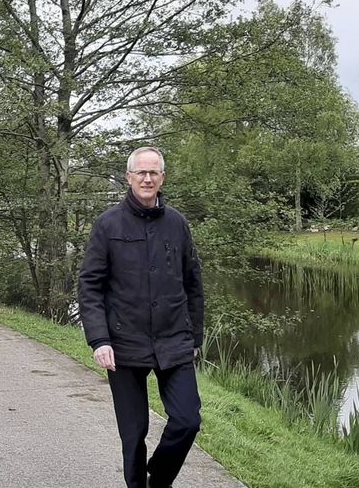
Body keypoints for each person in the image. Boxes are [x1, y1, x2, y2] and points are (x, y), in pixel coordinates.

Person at [78, 146, 204, 488]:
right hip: (124, 343)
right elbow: (90, 285)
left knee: (187, 420)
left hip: (173, 339)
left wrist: (194, 339)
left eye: (154, 173)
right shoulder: (108, 224)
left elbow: (193, 282)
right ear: (129, 177)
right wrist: (99, 339)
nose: (147, 179)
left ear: (162, 178)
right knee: (133, 435)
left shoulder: (177, 224)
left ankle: (158, 479)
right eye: (141, 173)